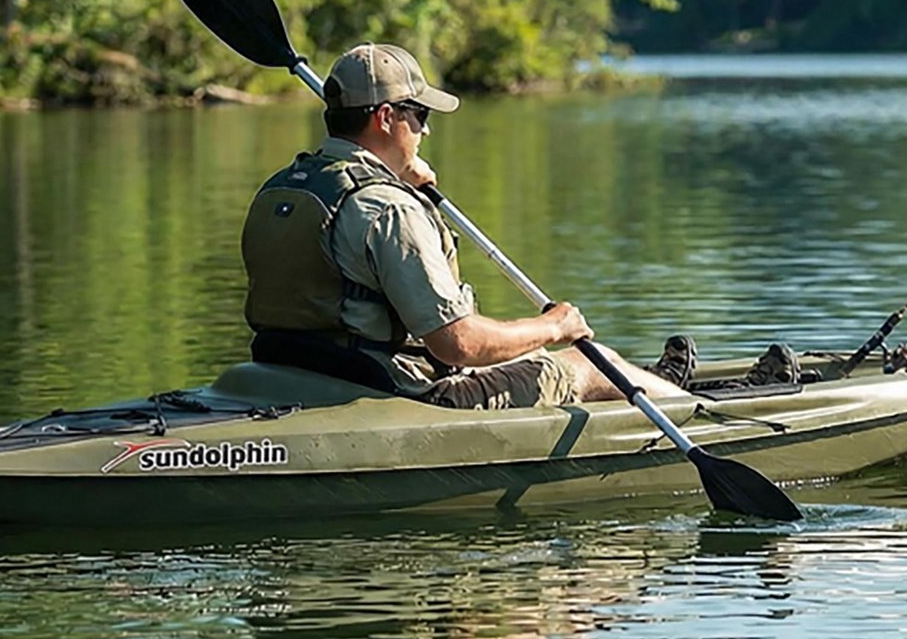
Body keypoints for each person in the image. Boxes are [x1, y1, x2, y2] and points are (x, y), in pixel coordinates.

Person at [241, 43, 697, 409]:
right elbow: (458, 344)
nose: (425, 131)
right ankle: (702, 415)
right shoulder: (389, 209)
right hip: (407, 392)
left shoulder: (284, 188)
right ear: (385, 118)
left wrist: (403, 184)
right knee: (590, 365)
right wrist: (556, 327)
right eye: (420, 116)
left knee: (534, 357)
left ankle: (658, 386)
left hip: (304, 374)